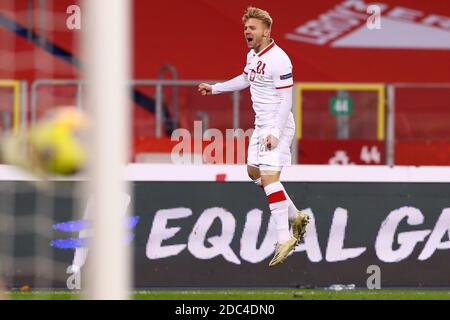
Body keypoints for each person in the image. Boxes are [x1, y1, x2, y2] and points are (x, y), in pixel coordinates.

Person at [198, 7, 310, 267]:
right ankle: (296, 216)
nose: (247, 32)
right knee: (253, 173)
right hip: (261, 126)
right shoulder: (253, 55)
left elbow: (286, 101)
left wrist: (274, 133)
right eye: (246, 28)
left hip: (277, 126)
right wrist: (215, 89)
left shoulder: (280, 59)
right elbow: (245, 79)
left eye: (253, 28)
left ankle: (284, 238)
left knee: (270, 179)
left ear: (267, 31)